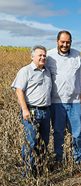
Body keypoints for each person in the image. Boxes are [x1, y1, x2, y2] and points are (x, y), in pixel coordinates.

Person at [46, 30, 81, 165]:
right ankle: (59, 159)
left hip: (75, 101)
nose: (65, 45)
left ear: (71, 42)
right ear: (57, 41)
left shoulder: (78, 55)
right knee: (58, 132)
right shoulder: (49, 56)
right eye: (62, 42)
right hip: (56, 102)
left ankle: (78, 159)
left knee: (77, 132)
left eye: (68, 42)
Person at [11, 45, 52, 176]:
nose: (43, 57)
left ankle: (39, 169)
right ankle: (27, 173)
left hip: (46, 111)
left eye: (44, 55)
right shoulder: (25, 71)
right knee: (31, 142)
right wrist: (24, 109)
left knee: (44, 142)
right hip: (32, 111)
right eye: (40, 55)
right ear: (32, 56)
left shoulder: (47, 71)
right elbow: (19, 90)